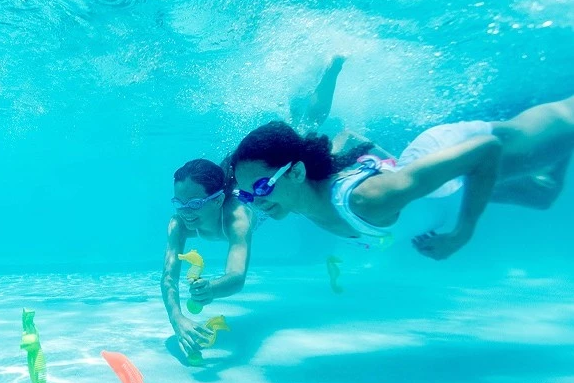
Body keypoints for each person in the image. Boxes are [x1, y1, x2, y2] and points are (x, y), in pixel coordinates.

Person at [162, 56, 362, 358]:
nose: (185, 212)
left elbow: (237, 276)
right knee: (299, 125)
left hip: (264, 184)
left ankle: (333, 71)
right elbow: (168, 275)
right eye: (179, 203)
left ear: (216, 201)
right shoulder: (180, 221)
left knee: (309, 133)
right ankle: (295, 112)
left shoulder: (237, 217)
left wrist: (214, 288)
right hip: (239, 182)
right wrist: (178, 320)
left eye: (193, 204)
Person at [230, 96, 574, 260]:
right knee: (542, 195)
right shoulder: (300, 196)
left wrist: (462, 234)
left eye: (261, 188)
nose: (256, 202)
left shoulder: (370, 199)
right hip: (448, 192)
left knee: (566, 123)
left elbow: (486, 150)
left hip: (461, 158)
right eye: (247, 195)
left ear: (297, 172)